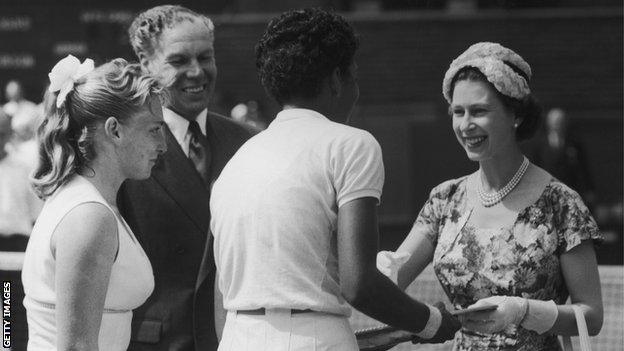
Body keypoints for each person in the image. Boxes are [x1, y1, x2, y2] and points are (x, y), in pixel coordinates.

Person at [210, 8, 460, 351]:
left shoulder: (237, 161)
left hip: (236, 337)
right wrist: (433, 322)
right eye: (353, 76)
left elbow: (221, 294)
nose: (355, 89)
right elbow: (359, 286)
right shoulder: (352, 144)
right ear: (335, 80)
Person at [377, 42, 603, 350]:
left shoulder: (561, 203)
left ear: (516, 115)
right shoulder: (445, 200)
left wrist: (526, 312)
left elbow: (591, 316)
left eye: (479, 111)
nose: (465, 124)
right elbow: (388, 282)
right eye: (458, 112)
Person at [118, 5, 255, 351]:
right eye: (179, 61)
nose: (197, 72)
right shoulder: (123, 147)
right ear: (146, 65)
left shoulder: (248, 142)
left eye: (205, 57)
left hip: (237, 339)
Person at [21, 55, 166, 350]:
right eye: (154, 129)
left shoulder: (85, 201)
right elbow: (77, 346)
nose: (162, 145)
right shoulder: (89, 216)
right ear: (114, 130)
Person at [529, 107, 595, 208]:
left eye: (560, 121)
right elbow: (534, 166)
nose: (557, 124)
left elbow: (583, 169)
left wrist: (588, 189)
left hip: (569, 190)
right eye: (555, 121)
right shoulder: (539, 144)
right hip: (546, 191)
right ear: (548, 123)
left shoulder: (574, 143)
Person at [0, 109, 41, 251]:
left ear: (10, 134)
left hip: (19, 243)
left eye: (1, 134)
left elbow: (36, 214)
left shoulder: (25, 168)